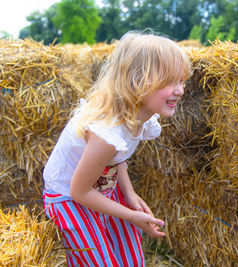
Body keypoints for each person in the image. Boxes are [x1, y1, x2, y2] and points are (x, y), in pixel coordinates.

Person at [42, 30, 192, 267]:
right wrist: (131, 215)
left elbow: (117, 158)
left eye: (181, 81)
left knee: (128, 258)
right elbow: (80, 191)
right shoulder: (107, 132)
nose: (180, 90)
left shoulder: (135, 118)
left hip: (101, 188)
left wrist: (129, 194)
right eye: (171, 82)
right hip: (70, 199)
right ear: (139, 81)